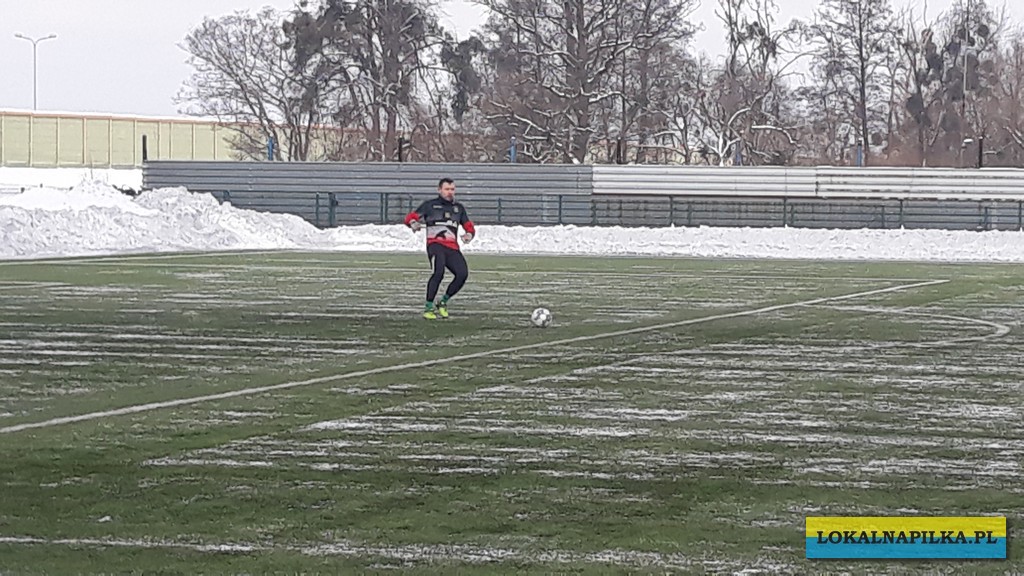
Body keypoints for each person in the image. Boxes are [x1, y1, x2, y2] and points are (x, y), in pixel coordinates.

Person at [404, 177, 476, 319]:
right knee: (438, 272)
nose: (450, 192)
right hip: (435, 245)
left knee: (462, 274)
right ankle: (428, 307)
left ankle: (443, 301)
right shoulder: (429, 206)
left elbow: (468, 225)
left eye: (452, 189)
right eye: (447, 189)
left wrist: (469, 234)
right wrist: (413, 223)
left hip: (452, 247)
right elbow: (410, 217)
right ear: (439, 190)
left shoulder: (458, 208)